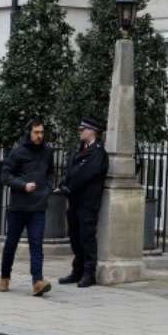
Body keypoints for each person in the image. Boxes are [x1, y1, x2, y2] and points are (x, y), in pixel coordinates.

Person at [0, 117, 54, 297]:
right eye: (36, 132)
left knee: (36, 244)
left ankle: (37, 281)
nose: (39, 136)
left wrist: (47, 189)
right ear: (29, 133)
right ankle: (5, 276)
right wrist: (23, 185)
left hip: (38, 207)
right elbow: (5, 176)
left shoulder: (47, 152)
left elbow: (50, 173)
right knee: (11, 244)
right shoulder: (18, 152)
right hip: (19, 207)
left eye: (41, 132)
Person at [58, 117, 108, 288]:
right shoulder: (78, 148)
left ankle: (89, 273)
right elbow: (70, 171)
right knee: (74, 236)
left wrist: (69, 187)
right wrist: (63, 184)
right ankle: (77, 270)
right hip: (74, 200)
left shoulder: (98, 153)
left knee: (87, 237)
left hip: (87, 202)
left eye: (82, 129)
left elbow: (85, 174)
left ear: (92, 131)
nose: (79, 132)